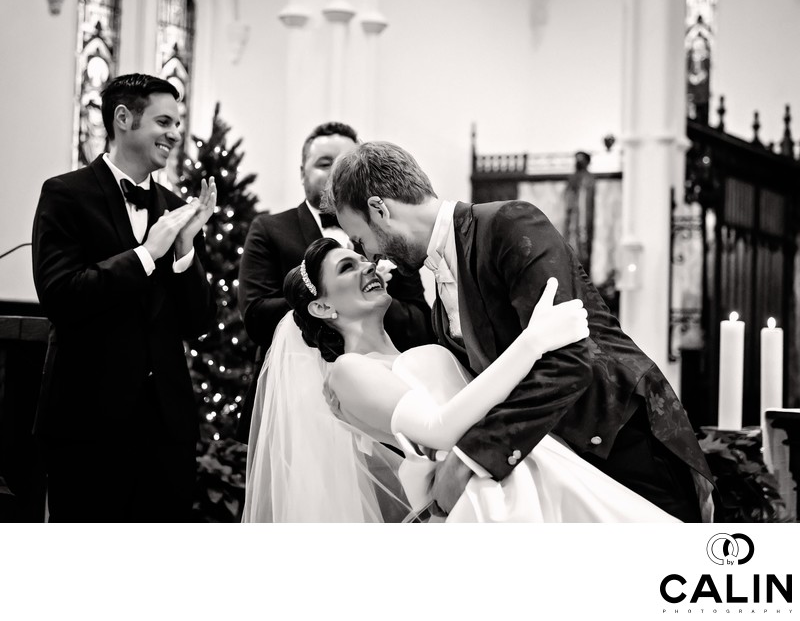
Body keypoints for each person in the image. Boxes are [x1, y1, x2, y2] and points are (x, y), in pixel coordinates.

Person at [324, 141, 716, 522]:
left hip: (624, 444)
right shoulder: (441, 289)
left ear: (379, 210)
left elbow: (569, 360)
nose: (371, 254)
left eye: (361, 239)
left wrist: (469, 458)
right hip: (559, 467)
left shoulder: (508, 224)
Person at [243, 238, 678, 522]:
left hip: (517, 464)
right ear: (322, 308)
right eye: (346, 268)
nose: (367, 267)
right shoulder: (347, 371)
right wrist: (530, 345)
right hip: (481, 501)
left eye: (364, 258)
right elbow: (438, 431)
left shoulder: (410, 351)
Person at [31, 73, 217, 522]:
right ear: (123, 118)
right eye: (164, 121)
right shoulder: (65, 194)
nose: (175, 134)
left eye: (178, 122)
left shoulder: (176, 208)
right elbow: (60, 296)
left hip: (165, 429)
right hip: (88, 422)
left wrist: (185, 248)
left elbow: (198, 322)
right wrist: (147, 254)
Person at [235, 122, 432, 443]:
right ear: (302, 172)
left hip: (381, 395)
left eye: (344, 164)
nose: (333, 173)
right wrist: (327, 296)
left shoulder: (387, 231)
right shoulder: (270, 229)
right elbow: (256, 317)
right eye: (324, 163)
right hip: (293, 402)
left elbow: (421, 323)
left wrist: (373, 297)